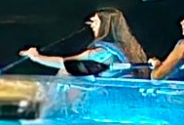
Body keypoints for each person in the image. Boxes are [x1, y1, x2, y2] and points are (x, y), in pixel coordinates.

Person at [20, 8, 148, 76]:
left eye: (96, 22)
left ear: (106, 26)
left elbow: (66, 64)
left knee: (66, 72)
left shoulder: (102, 53)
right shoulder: (132, 50)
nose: (92, 26)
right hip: (125, 99)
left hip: (109, 103)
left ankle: (51, 111)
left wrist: (36, 56)